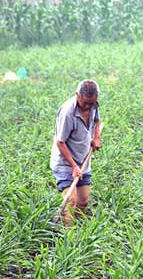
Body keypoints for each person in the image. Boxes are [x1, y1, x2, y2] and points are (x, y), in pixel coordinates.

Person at [50, 80, 102, 226]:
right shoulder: (68, 112)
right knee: (72, 201)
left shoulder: (93, 105)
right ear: (77, 95)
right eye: (85, 102)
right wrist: (73, 166)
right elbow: (60, 142)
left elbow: (97, 121)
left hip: (83, 159)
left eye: (91, 103)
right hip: (65, 163)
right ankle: (69, 239)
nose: (88, 106)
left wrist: (96, 137)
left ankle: (75, 228)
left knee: (83, 201)